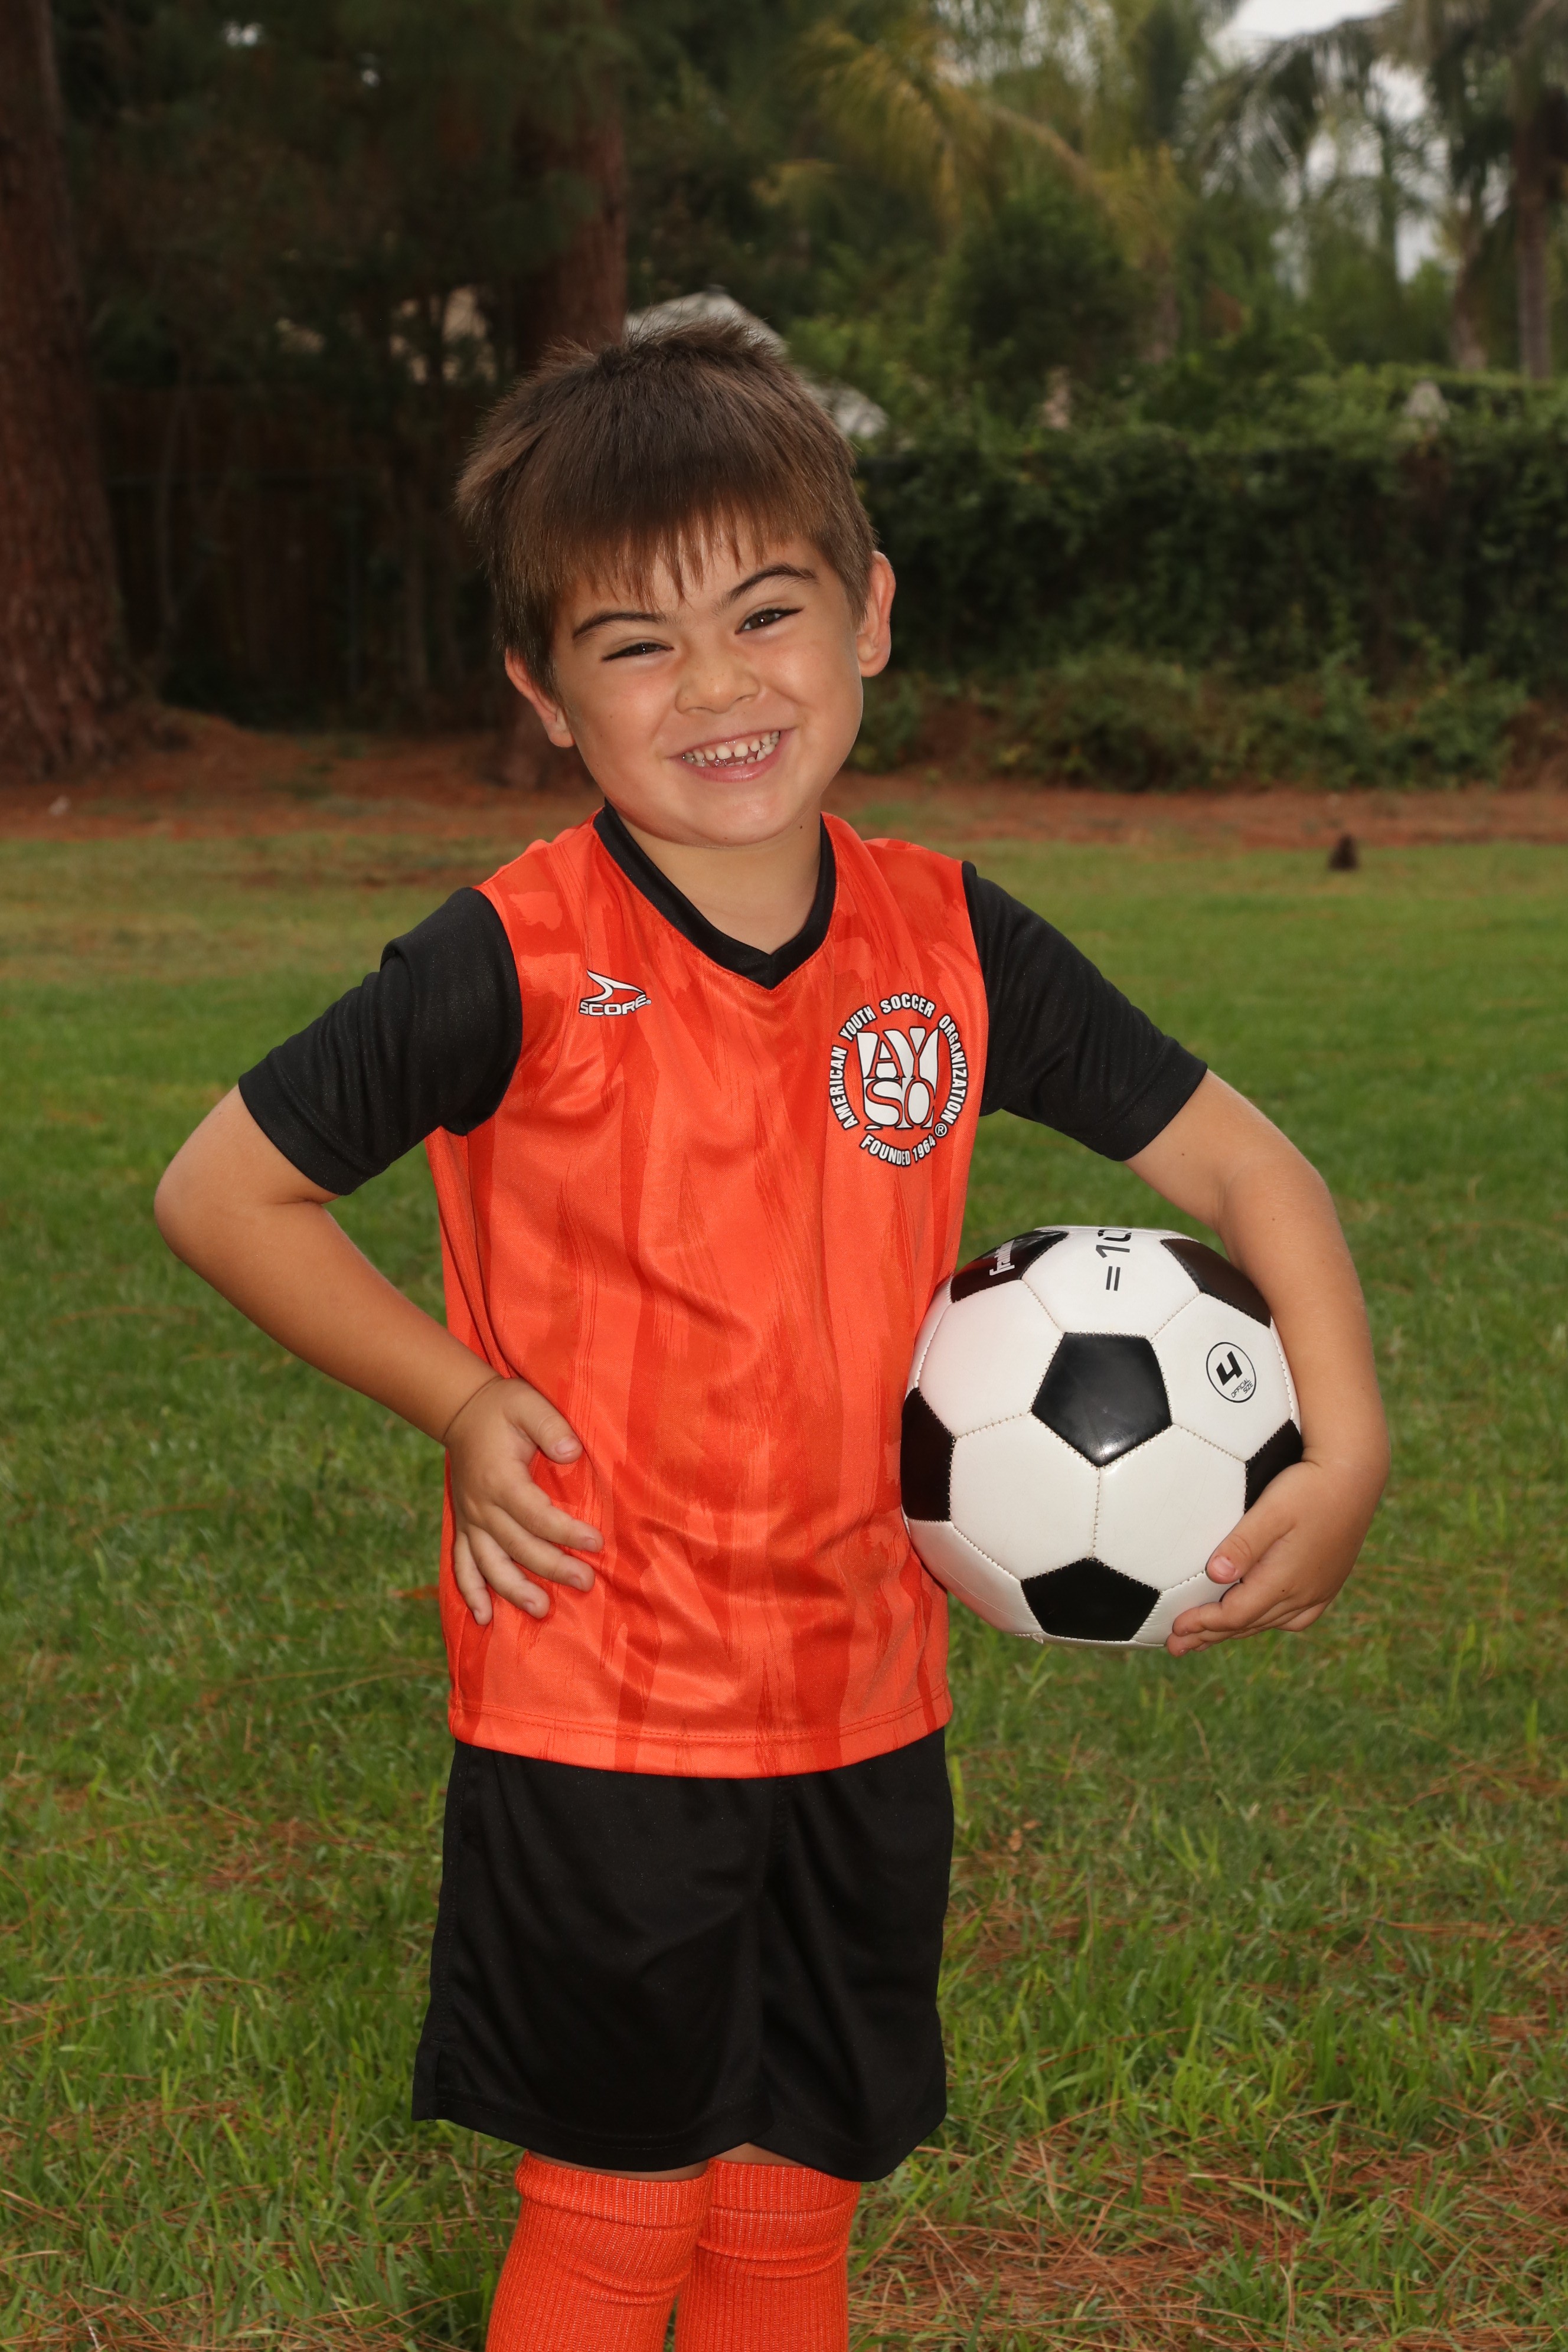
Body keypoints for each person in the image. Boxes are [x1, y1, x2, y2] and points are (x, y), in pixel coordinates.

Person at [153, 319, 1389, 2352]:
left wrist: (1345, 1448)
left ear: (871, 612)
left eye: (766, 612)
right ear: (544, 696)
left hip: (867, 1699)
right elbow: (223, 1190)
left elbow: (1257, 1171)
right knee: (620, 2213)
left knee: (796, 2204)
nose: (719, 686)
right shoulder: (516, 955)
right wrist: (461, 1397)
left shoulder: (952, 938)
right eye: (636, 645)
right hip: (603, 1712)